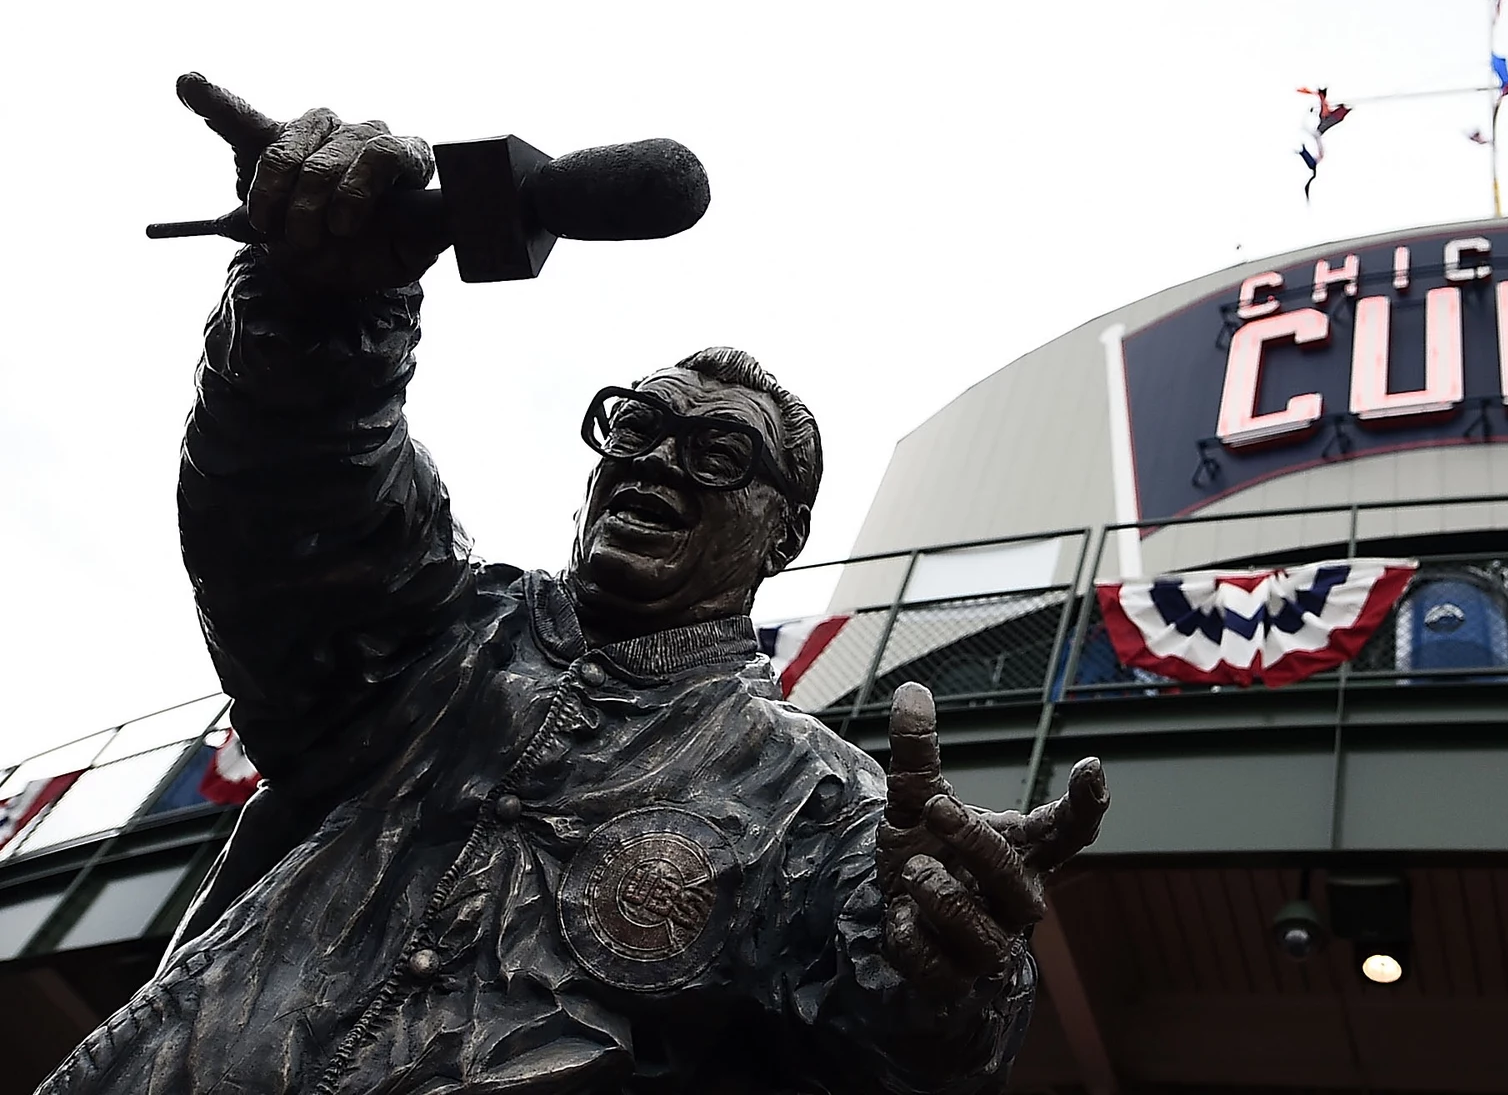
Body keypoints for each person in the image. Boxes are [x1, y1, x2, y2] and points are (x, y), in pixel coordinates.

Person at [43, 76, 1106, 1095]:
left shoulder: (819, 804)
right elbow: (297, 498)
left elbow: (901, 1053)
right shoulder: (441, 634)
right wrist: (322, 307)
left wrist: (956, 972)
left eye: (718, 453)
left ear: (782, 535)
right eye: (636, 426)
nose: (655, 459)